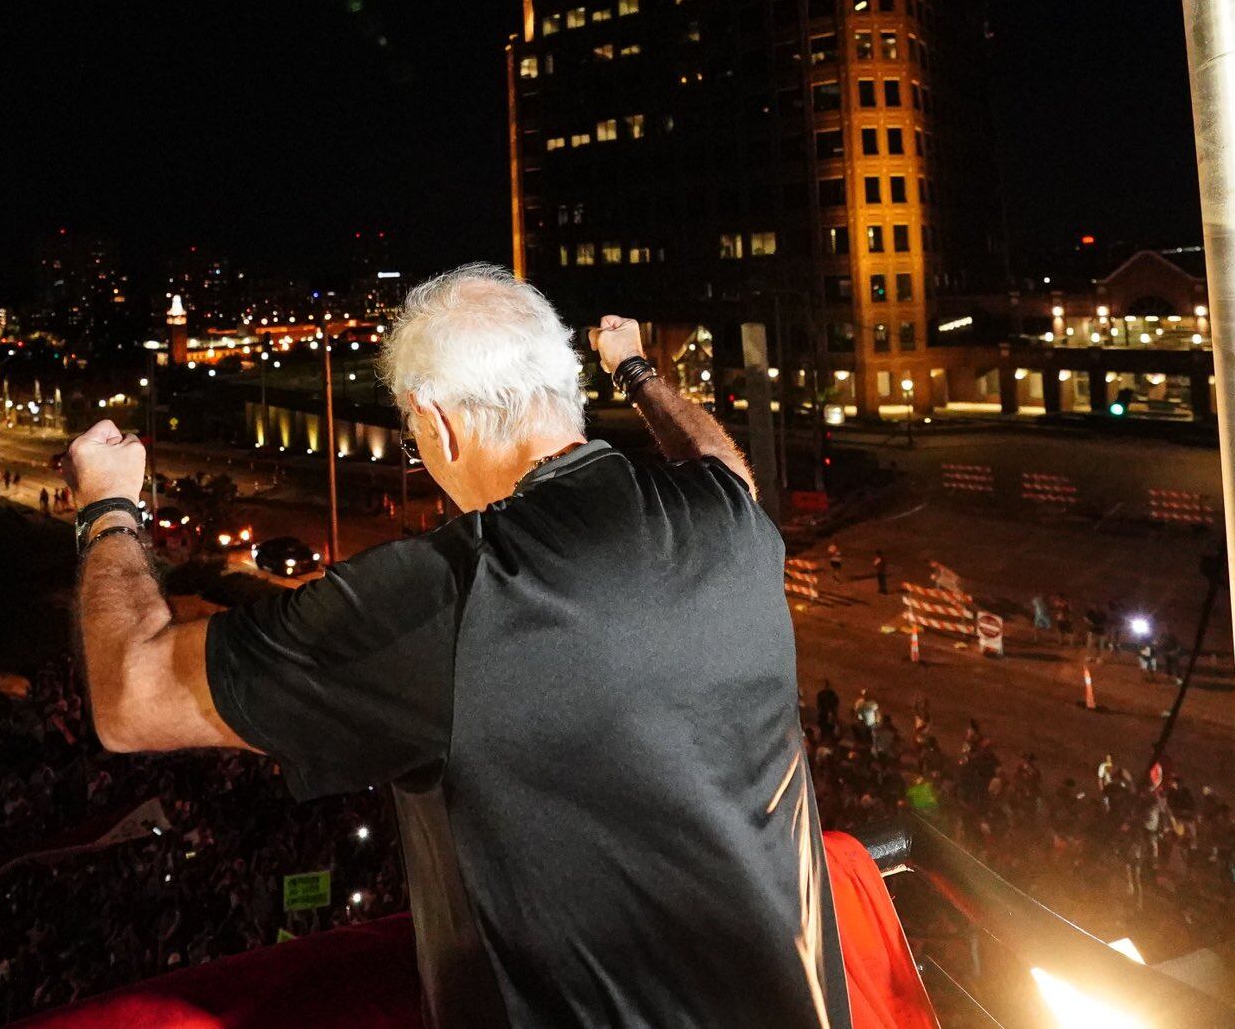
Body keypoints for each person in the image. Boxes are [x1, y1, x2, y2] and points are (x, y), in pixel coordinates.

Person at [65, 265, 848, 1028]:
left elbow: (132, 697)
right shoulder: (729, 521)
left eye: (415, 439)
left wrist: (107, 508)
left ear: (434, 420)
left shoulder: (456, 594)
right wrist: (638, 371)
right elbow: (724, 465)